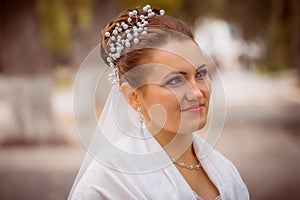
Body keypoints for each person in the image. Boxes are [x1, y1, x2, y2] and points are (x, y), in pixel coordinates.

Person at [69, 5, 249, 200]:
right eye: (175, 81)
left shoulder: (226, 171)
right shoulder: (108, 183)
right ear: (134, 96)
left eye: (201, 74)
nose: (197, 92)